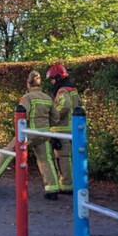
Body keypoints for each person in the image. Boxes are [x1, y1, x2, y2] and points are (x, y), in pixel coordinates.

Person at [0, 70, 62, 198]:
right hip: (44, 134)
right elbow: (56, 118)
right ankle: (53, 189)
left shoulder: (27, 97)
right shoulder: (47, 98)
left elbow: (23, 114)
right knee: (46, 160)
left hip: (29, 133)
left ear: (28, 83)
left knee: (8, 151)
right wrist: (45, 126)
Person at [46, 62, 80, 198]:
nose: (52, 82)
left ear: (58, 78)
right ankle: (75, 183)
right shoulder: (73, 90)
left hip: (61, 130)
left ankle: (66, 185)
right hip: (74, 129)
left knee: (63, 158)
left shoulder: (62, 90)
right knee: (74, 158)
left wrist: (53, 116)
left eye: (52, 79)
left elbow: (64, 106)